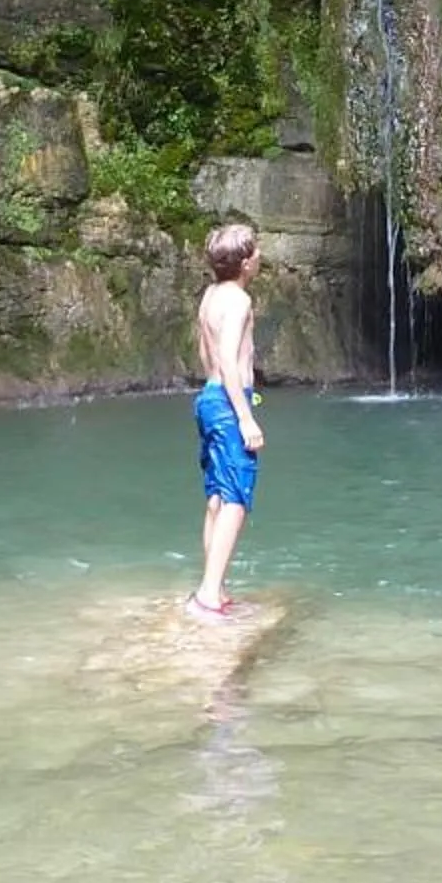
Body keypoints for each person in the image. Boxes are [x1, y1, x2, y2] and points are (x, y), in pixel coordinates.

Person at [187, 220, 264, 620]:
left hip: (210, 397)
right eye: (257, 250)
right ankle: (208, 595)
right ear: (246, 262)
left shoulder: (211, 295)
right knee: (236, 499)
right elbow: (231, 362)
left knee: (217, 496)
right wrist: (246, 418)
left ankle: (213, 586)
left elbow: (207, 354)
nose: (260, 255)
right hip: (230, 403)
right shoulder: (238, 301)